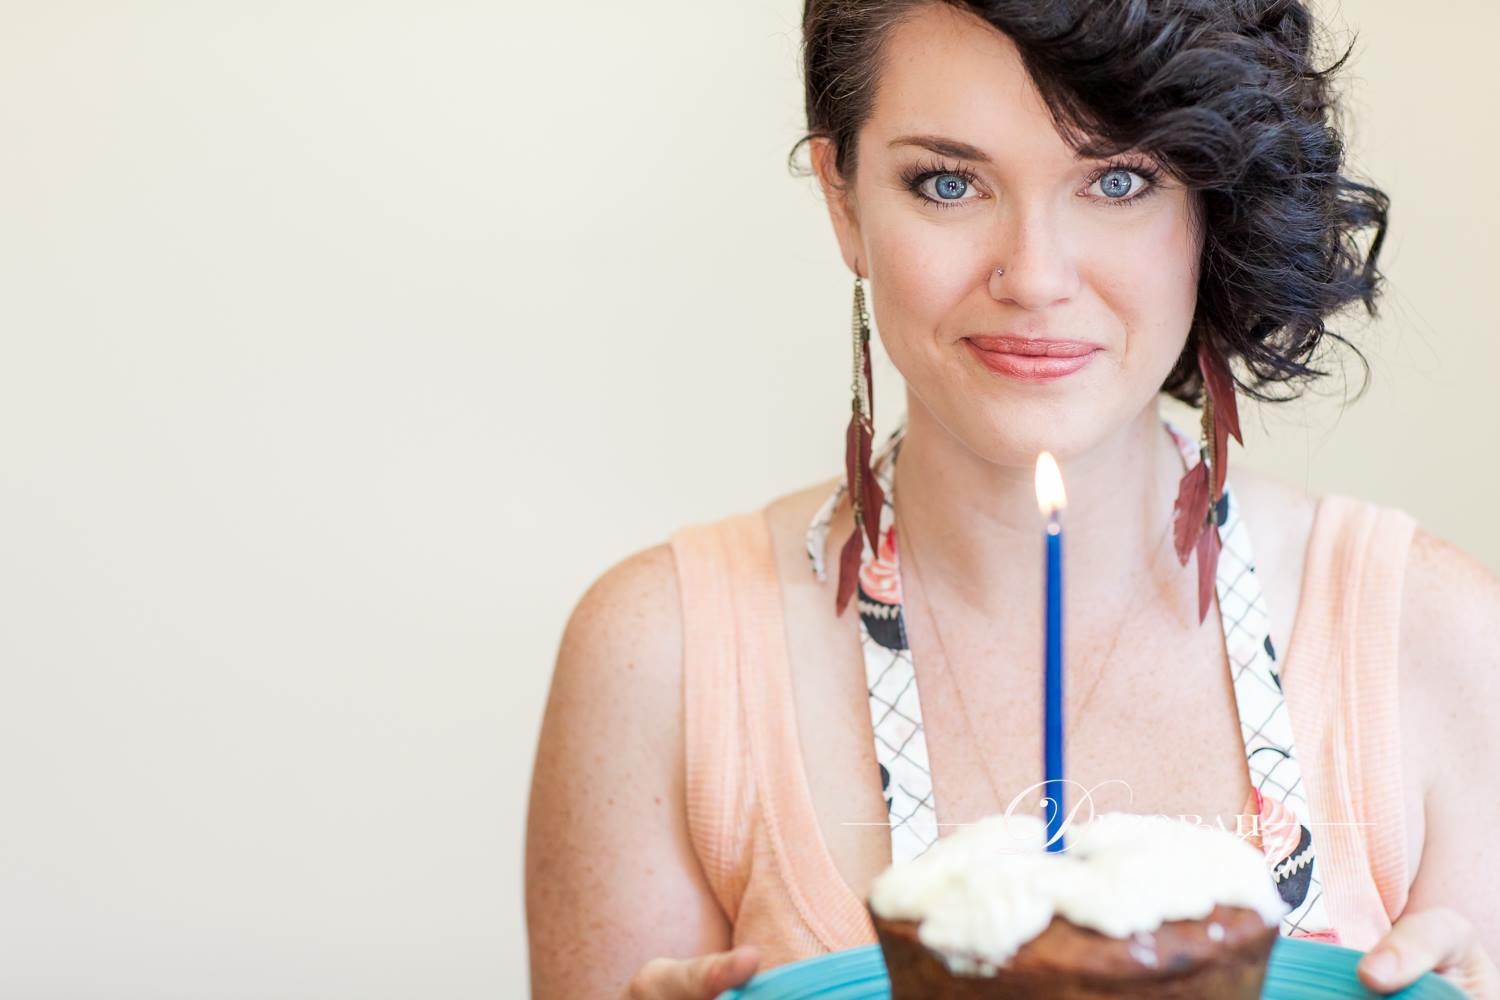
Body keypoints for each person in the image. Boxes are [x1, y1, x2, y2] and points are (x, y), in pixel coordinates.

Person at [525, 2, 1500, 997]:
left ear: (1212, 200)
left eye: (1119, 180)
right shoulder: (662, 658)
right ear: (844, 200)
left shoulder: (1438, 637)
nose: (1034, 276)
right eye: (949, 182)